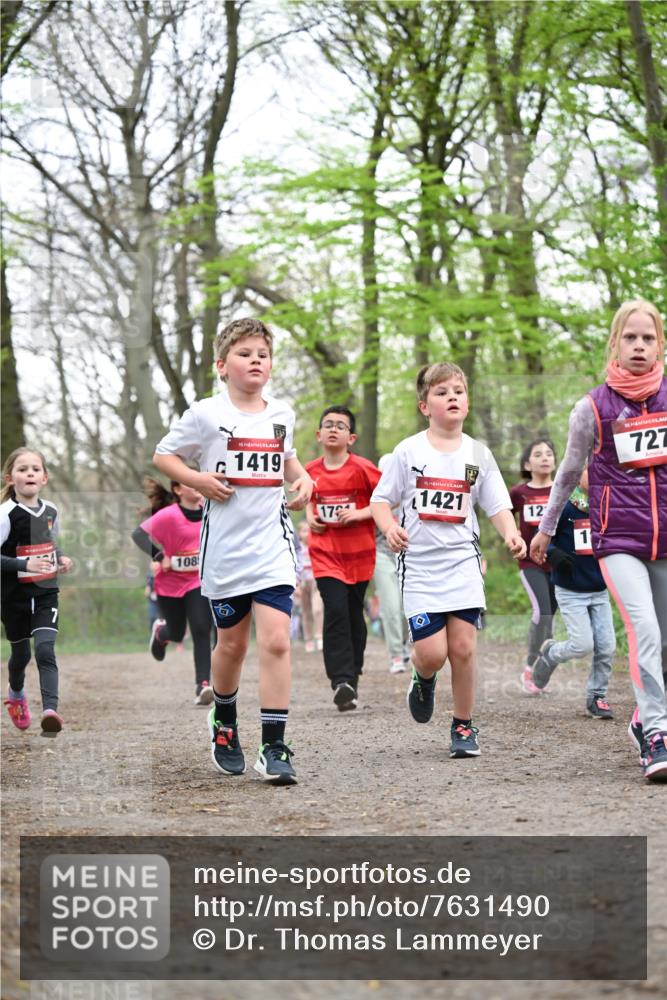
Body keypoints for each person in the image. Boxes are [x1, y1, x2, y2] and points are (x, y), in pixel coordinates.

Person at [153, 317, 312, 785]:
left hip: (273, 545)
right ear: (223, 366)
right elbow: (164, 456)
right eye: (245, 354)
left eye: (263, 354)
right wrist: (199, 480)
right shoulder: (206, 413)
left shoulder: (281, 414)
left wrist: (303, 478)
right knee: (233, 645)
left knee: (277, 640)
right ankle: (224, 721)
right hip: (224, 549)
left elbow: (287, 460)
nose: (256, 360)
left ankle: (274, 746)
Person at [531, 300, 667, 782]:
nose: (638, 346)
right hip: (618, 539)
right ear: (615, 343)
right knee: (644, 630)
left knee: (664, 642)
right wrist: (547, 527)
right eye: (630, 337)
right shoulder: (591, 407)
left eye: (647, 338)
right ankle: (657, 735)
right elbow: (569, 472)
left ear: (660, 345)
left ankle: (643, 718)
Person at [371, 363, 525, 759]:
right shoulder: (408, 451)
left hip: (462, 563)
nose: (452, 397)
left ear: (467, 402)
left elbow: (497, 504)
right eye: (441, 392)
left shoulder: (478, 453)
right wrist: (389, 527)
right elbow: (380, 501)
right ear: (425, 406)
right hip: (419, 566)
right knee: (432, 654)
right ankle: (423, 678)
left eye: (458, 390)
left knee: (463, 648)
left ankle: (463, 725)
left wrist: (510, 533)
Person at [305, 406, 382, 711]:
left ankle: (352, 679)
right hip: (325, 554)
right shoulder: (310, 471)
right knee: (335, 611)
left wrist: (360, 513)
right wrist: (309, 515)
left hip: (359, 556)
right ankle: (340, 680)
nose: (333, 429)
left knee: (353, 616)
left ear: (351, 438)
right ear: (319, 434)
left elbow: (388, 499)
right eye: (328, 424)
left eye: (341, 426)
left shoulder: (363, 468)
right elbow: (306, 499)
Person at [530, 469, 616, 718]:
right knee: (581, 645)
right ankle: (551, 653)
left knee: (607, 647)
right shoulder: (564, 506)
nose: (597, 474)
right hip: (570, 590)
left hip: (599, 590)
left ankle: (597, 696)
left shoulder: (608, 508)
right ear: (578, 475)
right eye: (591, 470)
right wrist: (554, 553)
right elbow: (541, 536)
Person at [1, 447, 72, 736]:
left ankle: (50, 712)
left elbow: (51, 542)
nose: (29, 473)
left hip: (45, 593)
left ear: (44, 477)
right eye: (22, 469)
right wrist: (24, 564)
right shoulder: (5, 514)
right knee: (21, 657)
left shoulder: (51, 510)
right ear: (10, 478)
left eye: (35, 469)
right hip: (13, 598)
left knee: (44, 649)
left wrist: (62, 557)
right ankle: (16, 695)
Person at [132, 476, 213, 706]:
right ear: (177, 490)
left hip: (198, 581)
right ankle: (161, 633)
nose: (197, 486)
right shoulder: (169, 515)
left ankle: (203, 685)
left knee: (201, 628)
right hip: (170, 583)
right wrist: (159, 556)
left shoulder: (210, 511)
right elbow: (138, 535)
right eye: (190, 483)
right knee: (177, 633)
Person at [510, 439, 558, 695]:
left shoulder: (563, 489)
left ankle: (541, 671)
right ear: (527, 464)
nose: (544, 458)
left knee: (550, 618)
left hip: (559, 563)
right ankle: (529, 667)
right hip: (530, 562)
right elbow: (504, 515)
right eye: (538, 454)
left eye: (549, 454)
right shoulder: (519, 493)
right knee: (542, 612)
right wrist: (513, 535)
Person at [373, 454, 410, 673]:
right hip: (382, 555)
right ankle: (396, 654)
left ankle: (404, 644)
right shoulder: (376, 496)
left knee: (407, 608)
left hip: (409, 557)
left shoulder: (411, 494)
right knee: (391, 606)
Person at [296, 520, 323, 653]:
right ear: (299, 534)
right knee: (306, 611)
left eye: (309, 531)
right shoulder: (298, 548)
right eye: (304, 531)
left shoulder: (316, 544)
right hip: (303, 582)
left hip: (316, 581)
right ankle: (309, 639)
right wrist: (297, 585)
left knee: (317, 609)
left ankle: (319, 636)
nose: (307, 534)